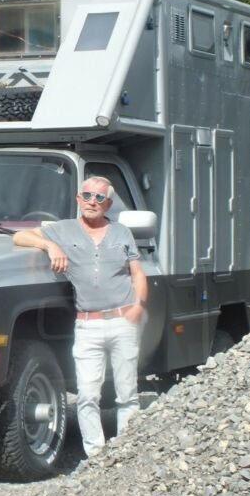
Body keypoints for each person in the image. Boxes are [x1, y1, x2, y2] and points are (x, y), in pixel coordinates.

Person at [13, 175, 148, 457]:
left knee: (127, 394)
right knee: (87, 395)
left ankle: (127, 455)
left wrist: (139, 305)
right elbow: (19, 236)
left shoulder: (122, 232)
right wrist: (51, 246)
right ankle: (96, 456)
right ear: (78, 199)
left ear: (108, 204)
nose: (92, 202)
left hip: (123, 321)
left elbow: (137, 273)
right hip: (88, 324)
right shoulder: (62, 230)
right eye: (87, 195)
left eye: (99, 198)